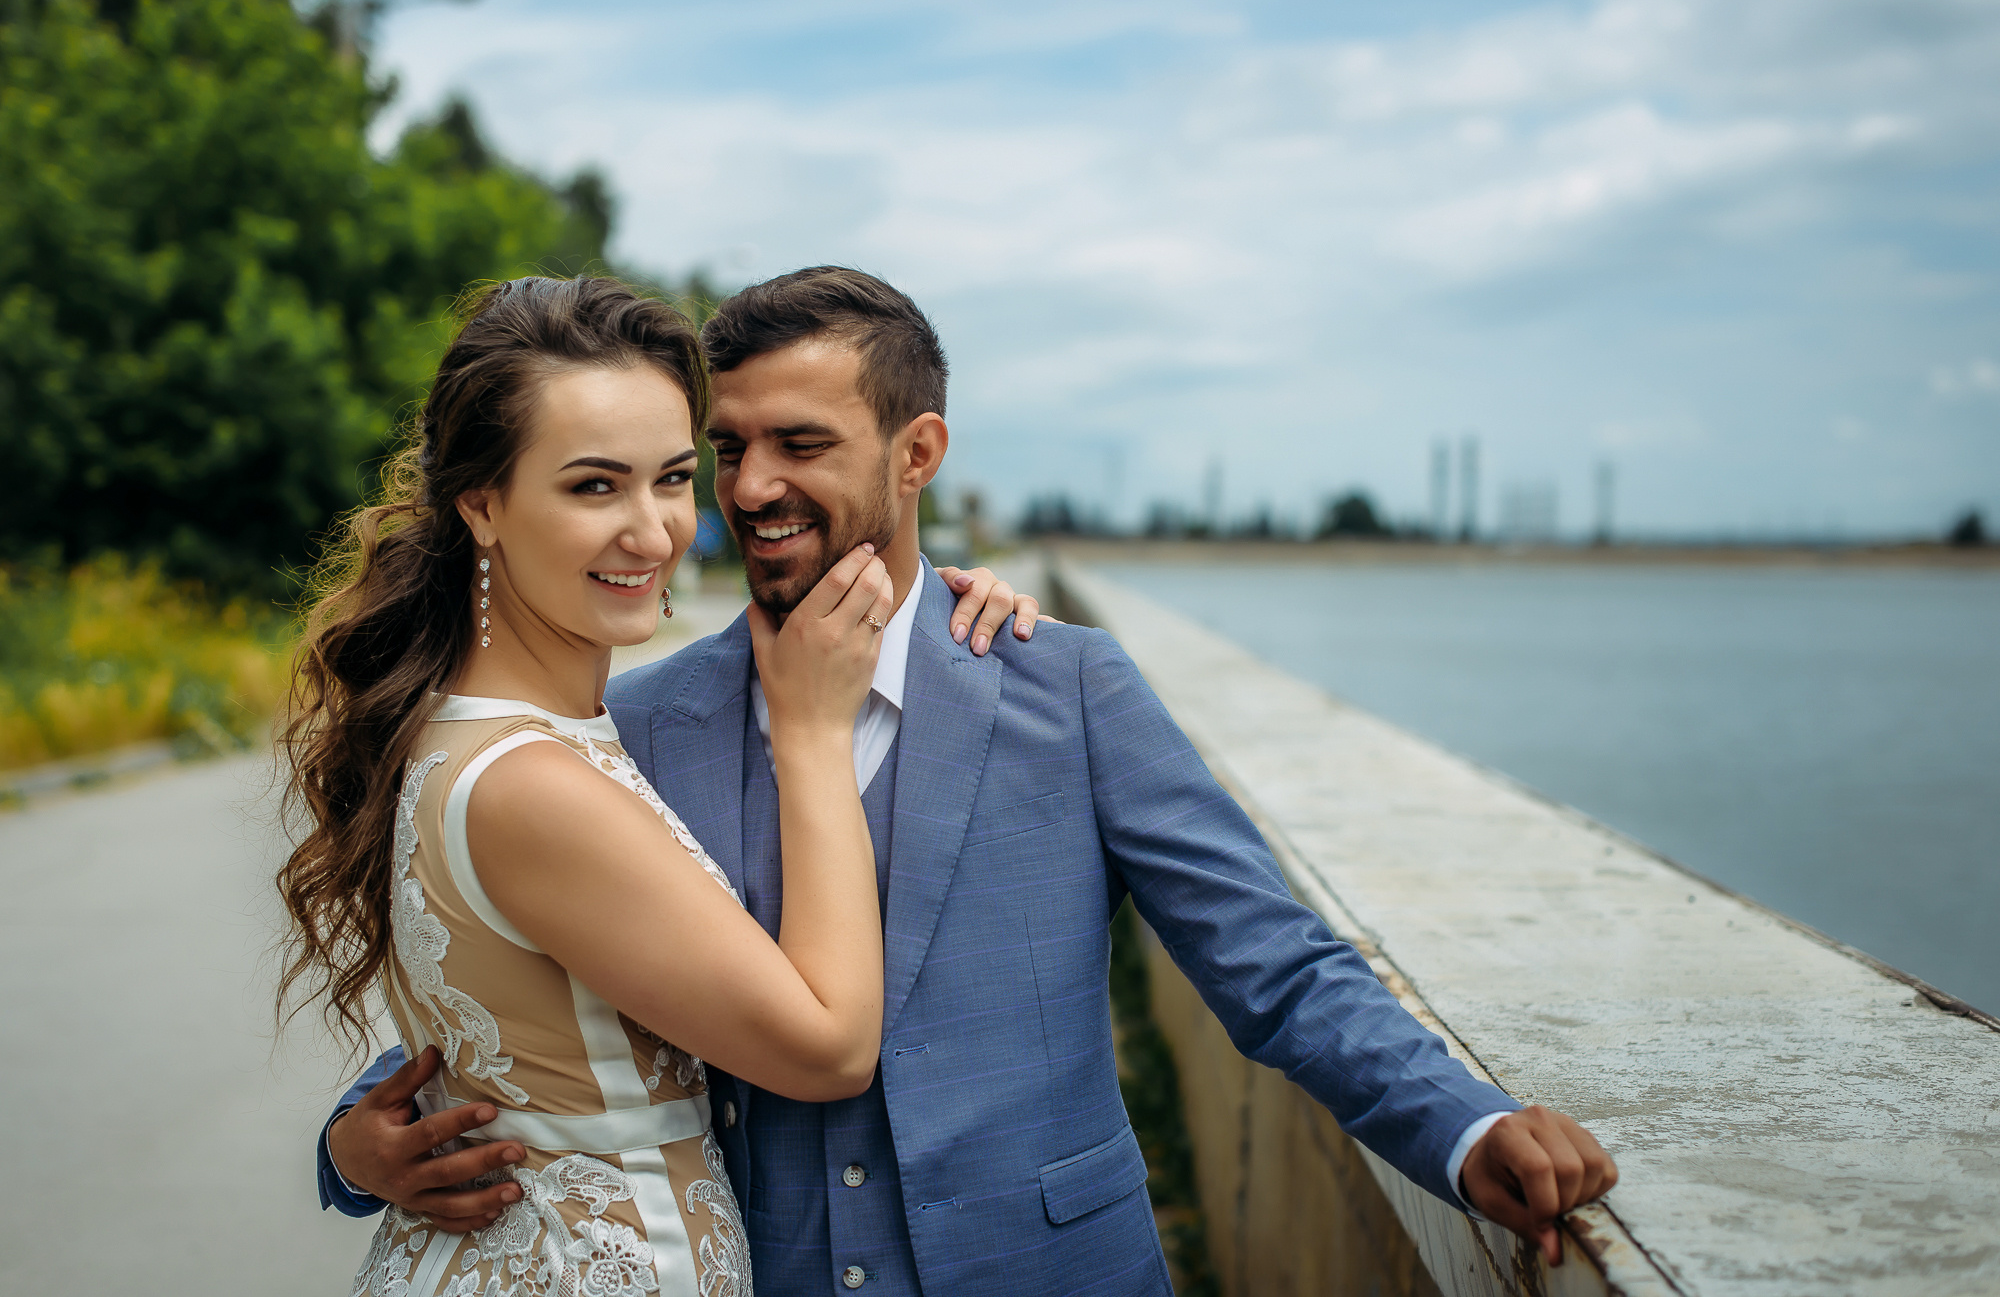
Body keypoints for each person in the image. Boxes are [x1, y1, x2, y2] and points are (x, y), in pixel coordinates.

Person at [321, 267, 1618, 1296]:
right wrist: (356, 1145)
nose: (750, 488)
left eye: (802, 442)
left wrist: (1462, 1125)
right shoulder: (640, 715)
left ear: (917, 450)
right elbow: (535, 1001)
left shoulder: (1067, 688)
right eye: (726, 448)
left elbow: (1274, 963)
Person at [278, 275, 1042, 1297]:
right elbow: (826, 1049)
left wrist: (943, 595)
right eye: (594, 486)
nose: (653, 532)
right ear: (482, 504)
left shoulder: (531, 731)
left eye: (673, 477)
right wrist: (812, 736)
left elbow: (519, 1028)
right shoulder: (530, 781)